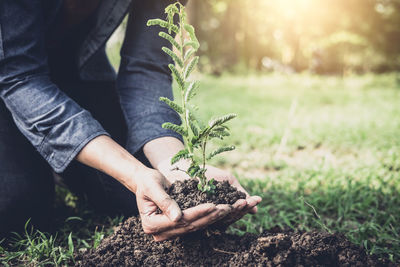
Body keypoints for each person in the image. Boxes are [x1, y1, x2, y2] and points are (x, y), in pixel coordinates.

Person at [0, 0, 261, 241]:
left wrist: (176, 167)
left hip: (79, 74)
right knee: (16, 209)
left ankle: (65, 157)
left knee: (150, 196)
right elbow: (20, 76)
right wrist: (134, 173)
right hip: (12, 80)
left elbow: (145, 68)